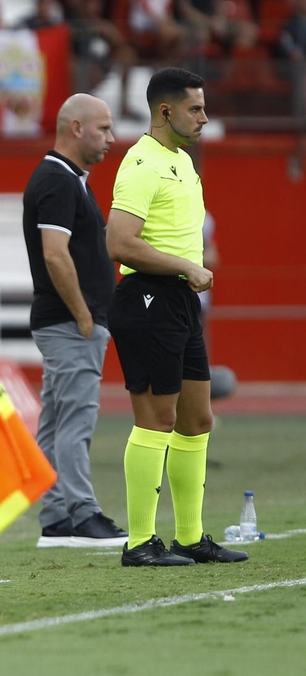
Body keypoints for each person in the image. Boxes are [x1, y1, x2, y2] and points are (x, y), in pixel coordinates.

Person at [105, 68, 248, 568]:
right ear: (166, 111)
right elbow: (119, 243)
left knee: (197, 418)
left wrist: (190, 270)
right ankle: (140, 542)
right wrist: (188, 265)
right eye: (195, 108)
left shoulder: (183, 162)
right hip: (147, 299)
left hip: (179, 302)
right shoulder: (141, 162)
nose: (205, 117)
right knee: (157, 419)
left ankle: (190, 537)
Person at [23, 94, 128, 549]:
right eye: (104, 129)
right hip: (70, 323)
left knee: (54, 421)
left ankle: (56, 516)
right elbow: (54, 253)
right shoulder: (59, 180)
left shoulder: (66, 179)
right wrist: (84, 314)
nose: (111, 138)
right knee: (75, 420)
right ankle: (82, 513)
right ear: (77, 128)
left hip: (62, 321)